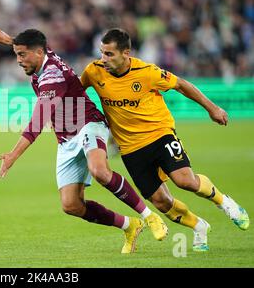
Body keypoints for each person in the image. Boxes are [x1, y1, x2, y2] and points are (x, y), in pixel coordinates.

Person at [0, 26, 168, 253]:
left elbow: (38, 121)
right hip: (66, 138)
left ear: (38, 53)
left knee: (100, 170)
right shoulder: (43, 56)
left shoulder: (52, 76)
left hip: (88, 124)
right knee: (71, 205)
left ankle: (149, 217)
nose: (19, 60)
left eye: (22, 55)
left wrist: (13, 155)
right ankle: (129, 225)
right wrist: (10, 40)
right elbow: (37, 45)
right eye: (16, 54)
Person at [80, 28, 249, 252]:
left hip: (159, 133)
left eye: (109, 54)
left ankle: (224, 202)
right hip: (130, 148)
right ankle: (199, 226)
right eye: (102, 53)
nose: (103, 59)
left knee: (185, 180)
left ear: (126, 53)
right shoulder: (94, 71)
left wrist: (212, 108)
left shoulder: (147, 72)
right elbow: (74, 92)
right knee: (161, 202)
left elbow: (181, 85)